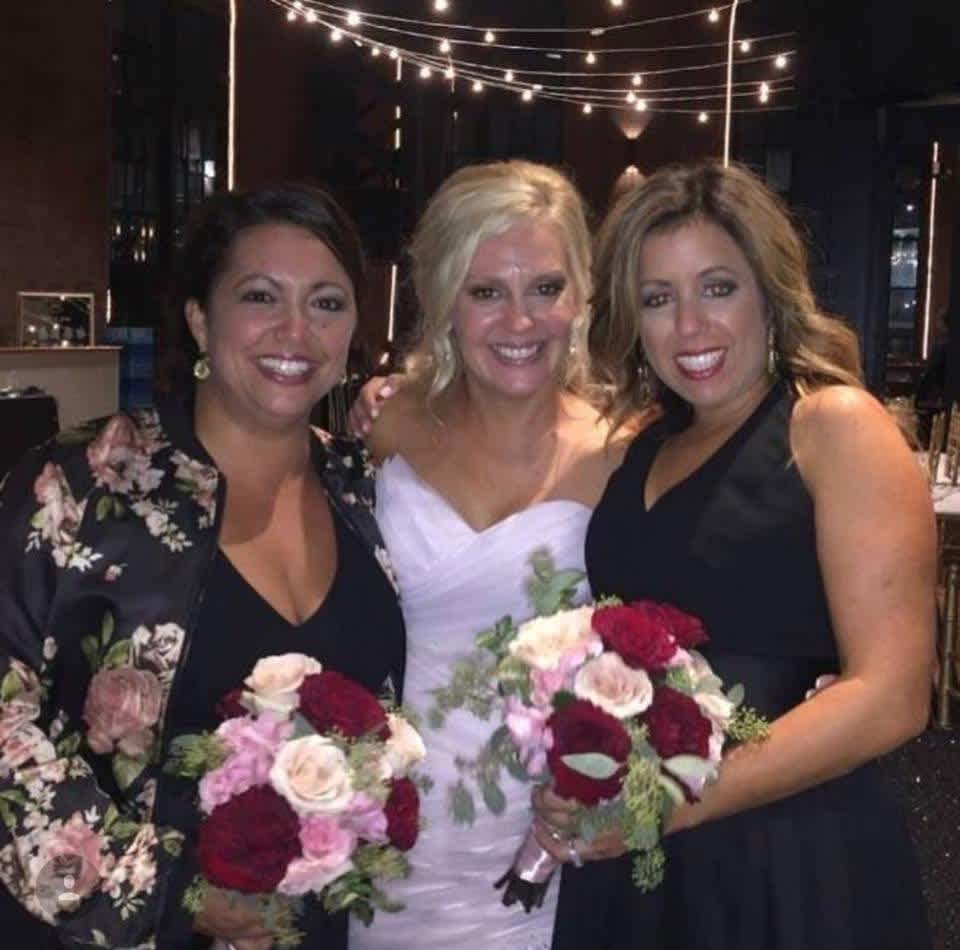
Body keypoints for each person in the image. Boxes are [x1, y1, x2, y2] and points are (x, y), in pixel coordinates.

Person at [533, 160, 936, 949]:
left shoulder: (831, 426)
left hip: (788, 854)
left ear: (769, 292)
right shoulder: (641, 448)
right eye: (659, 299)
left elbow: (892, 696)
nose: (690, 327)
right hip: (644, 861)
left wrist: (669, 803)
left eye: (717, 288)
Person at [0, 184, 405, 950]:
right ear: (197, 317)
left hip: (311, 924)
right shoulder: (84, 483)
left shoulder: (367, 491)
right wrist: (171, 891)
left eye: (327, 303)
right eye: (260, 296)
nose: (296, 331)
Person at [349, 160, 632, 950]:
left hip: (544, 831)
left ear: (581, 296)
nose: (520, 320)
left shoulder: (623, 452)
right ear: (444, 300)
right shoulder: (388, 425)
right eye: (486, 292)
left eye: (546, 287)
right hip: (386, 829)